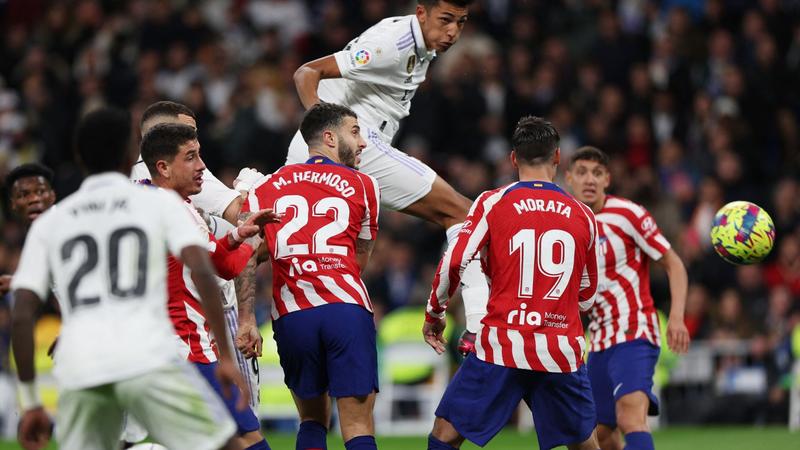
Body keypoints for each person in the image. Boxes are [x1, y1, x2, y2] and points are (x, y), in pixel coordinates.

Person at [10, 107, 243, 450]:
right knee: (225, 444)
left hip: (81, 365)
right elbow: (204, 273)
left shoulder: (53, 222)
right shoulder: (159, 204)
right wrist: (225, 356)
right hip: (146, 355)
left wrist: (30, 401)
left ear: (78, 158)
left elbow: (21, 314)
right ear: (127, 155)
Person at [289, 0, 489, 345]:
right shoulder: (392, 43)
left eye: (460, 22)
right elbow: (307, 72)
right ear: (421, 13)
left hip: (343, 143)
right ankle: (479, 326)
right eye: (446, 20)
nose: (453, 32)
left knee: (311, 249)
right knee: (463, 213)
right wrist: (327, 131)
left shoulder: (422, 44)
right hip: (352, 140)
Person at [423, 116, 601, 450]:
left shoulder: (493, 203)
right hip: (559, 348)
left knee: (444, 435)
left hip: (502, 344)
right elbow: (588, 296)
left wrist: (435, 312)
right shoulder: (583, 216)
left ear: (513, 159)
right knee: (585, 443)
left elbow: (456, 260)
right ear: (558, 157)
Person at [245, 102, 380, 450]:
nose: (362, 142)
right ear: (330, 137)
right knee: (357, 423)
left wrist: (246, 317)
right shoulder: (365, 185)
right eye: (355, 131)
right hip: (345, 308)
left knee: (311, 420)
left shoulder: (266, 187)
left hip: (292, 314)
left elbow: (246, 255)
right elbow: (360, 257)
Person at [140, 123, 274, 450]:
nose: (202, 166)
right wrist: (254, 239)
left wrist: (239, 235)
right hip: (186, 347)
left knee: (233, 437)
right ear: (164, 167)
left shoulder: (172, 204)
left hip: (178, 346)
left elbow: (215, 254)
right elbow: (225, 267)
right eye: (191, 157)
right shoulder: (170, 208)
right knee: (247, 439)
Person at [564, 146, 691, 450]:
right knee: (600, 434)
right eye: (581, 172)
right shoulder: (567, 224)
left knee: (630, 416)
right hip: (598, 338)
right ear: (568, 178)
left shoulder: (628, 214)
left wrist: (676, 317)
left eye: (597, 173)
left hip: (635, 328)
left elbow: (674, 264)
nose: (589, 179)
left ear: (607, 179)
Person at [0, 163, 57, 296]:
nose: (34, 199)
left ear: (53, 196)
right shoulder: (36, 234)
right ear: (13, 203)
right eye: (24, 195)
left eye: (41, 192)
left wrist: (18, 283)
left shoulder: (67, 226)